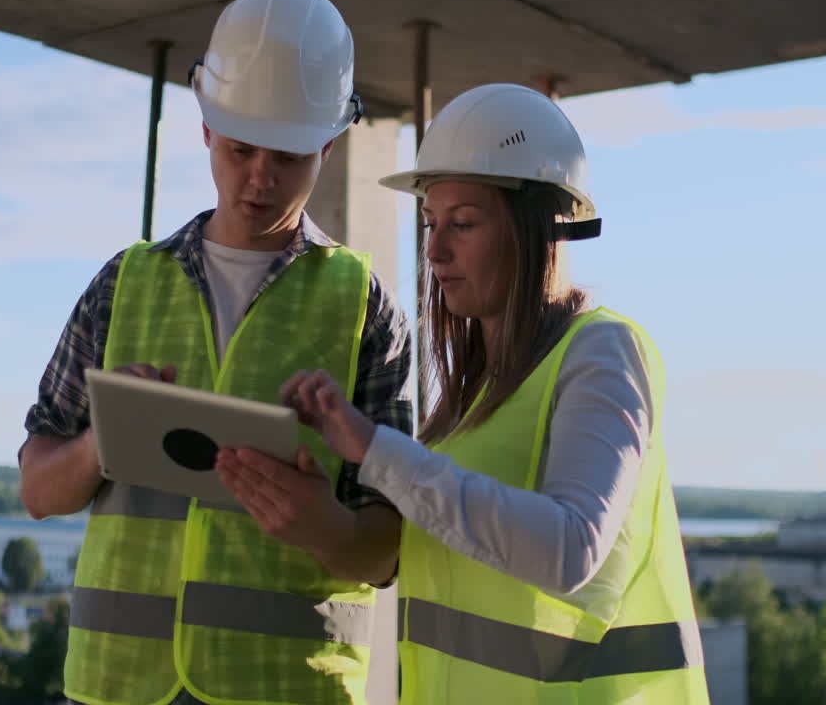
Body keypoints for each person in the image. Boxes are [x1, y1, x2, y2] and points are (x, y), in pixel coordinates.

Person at [218, 83, 712, 703]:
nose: (435, 250)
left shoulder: (602, 353)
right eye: (430, 224)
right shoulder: (469, 399)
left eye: (464, 223)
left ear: (537, 228)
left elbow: (569, 548)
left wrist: (378, 451)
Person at [16, 0, 413, 703]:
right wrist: (99, 444)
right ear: (205, 129)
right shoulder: (125, 284)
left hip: (286, 690)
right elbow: (38, 489)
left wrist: (324, 524)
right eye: (240, 149)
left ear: (327, 145)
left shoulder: (366, 309)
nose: (260, 177)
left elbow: (389, 546)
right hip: (120, 687)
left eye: (288, 156)